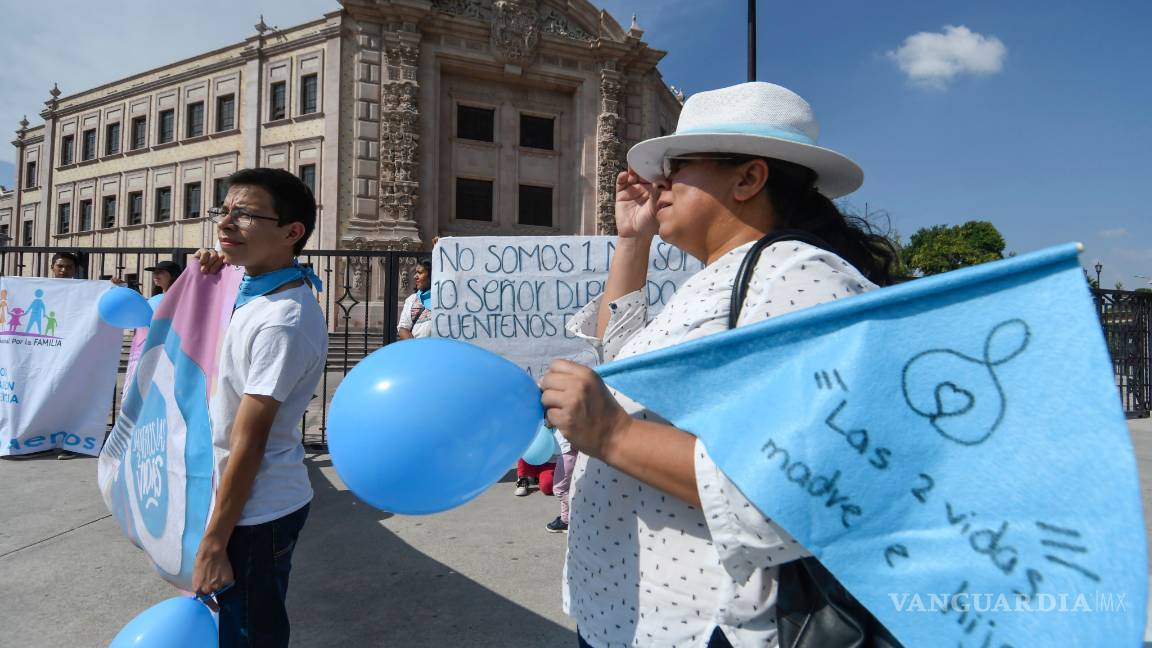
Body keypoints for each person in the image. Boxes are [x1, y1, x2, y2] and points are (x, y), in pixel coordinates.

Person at [538, 82, 898, 647]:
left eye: (677, 166)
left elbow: (799, 482)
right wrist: (632, 243)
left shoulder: (799, 274)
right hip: (624, 611)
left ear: (749, 178)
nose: (660, 183)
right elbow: (624, 362)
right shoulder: (725, 276)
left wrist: (611, 433)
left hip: (699, 623)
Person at [191, 167, 328, 647]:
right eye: (223, 211)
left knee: (251, 634)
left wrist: (214, 539)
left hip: (256, 511)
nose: (226, 223)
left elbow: (248, 441)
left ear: (292, 232)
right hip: (239, 502)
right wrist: (206, 275)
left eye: (244, 214)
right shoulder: (248, 290)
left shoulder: (283, 319)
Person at [397, 259, 433, 339]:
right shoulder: (412, 300)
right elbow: (403, 328)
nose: (415, 277)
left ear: (432, 275)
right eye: (415, 272)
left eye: (420, 273)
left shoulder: (446, 300)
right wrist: (416, 348)